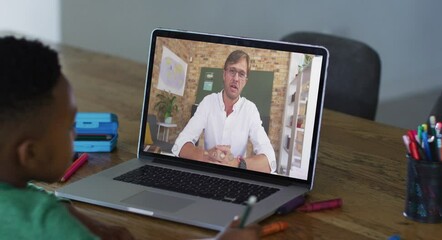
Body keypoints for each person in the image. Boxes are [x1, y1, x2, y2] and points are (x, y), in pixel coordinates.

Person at [0, 37, 260, 240]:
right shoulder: (47, 224)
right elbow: (182, 144)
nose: (76, 133)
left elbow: (268, 158)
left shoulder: (251, 110)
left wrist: (69, 211)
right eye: (70, 125)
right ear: (30, 153)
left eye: (242, 74)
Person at [172, 50, 276, 173]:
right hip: (207, 171)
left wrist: (236, 164)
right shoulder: (208, 102)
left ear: (245, 81)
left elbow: (270, 160)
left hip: (236, 175)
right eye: (232, 71)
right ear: (224, 74)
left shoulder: (250, 110)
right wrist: (206, 156)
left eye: (241, 74)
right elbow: (179, 145)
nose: (236, 78)